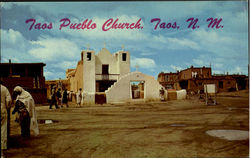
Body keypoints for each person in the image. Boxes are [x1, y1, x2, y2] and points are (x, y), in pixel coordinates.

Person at [1, 84, 12, 150]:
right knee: (3, 129)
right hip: (2, 110)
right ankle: (3, 146)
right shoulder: (4, 88)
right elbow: (9, 100)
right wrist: (6, 107)